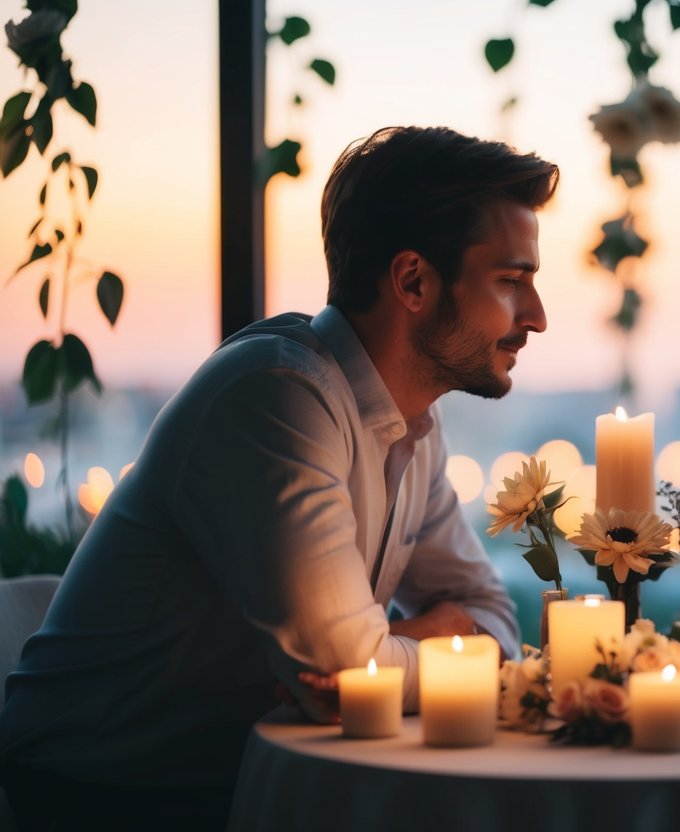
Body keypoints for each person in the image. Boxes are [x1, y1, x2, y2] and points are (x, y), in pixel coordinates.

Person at [0, 125, 559, 829]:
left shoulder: (413, 421)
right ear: (413, 280)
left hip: (233, 779)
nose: (536, 317)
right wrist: (437, 641)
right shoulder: (276, 397)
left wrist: (406, 651)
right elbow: (347, 683)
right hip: (106, 795)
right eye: (511, 282)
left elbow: (490, 620)